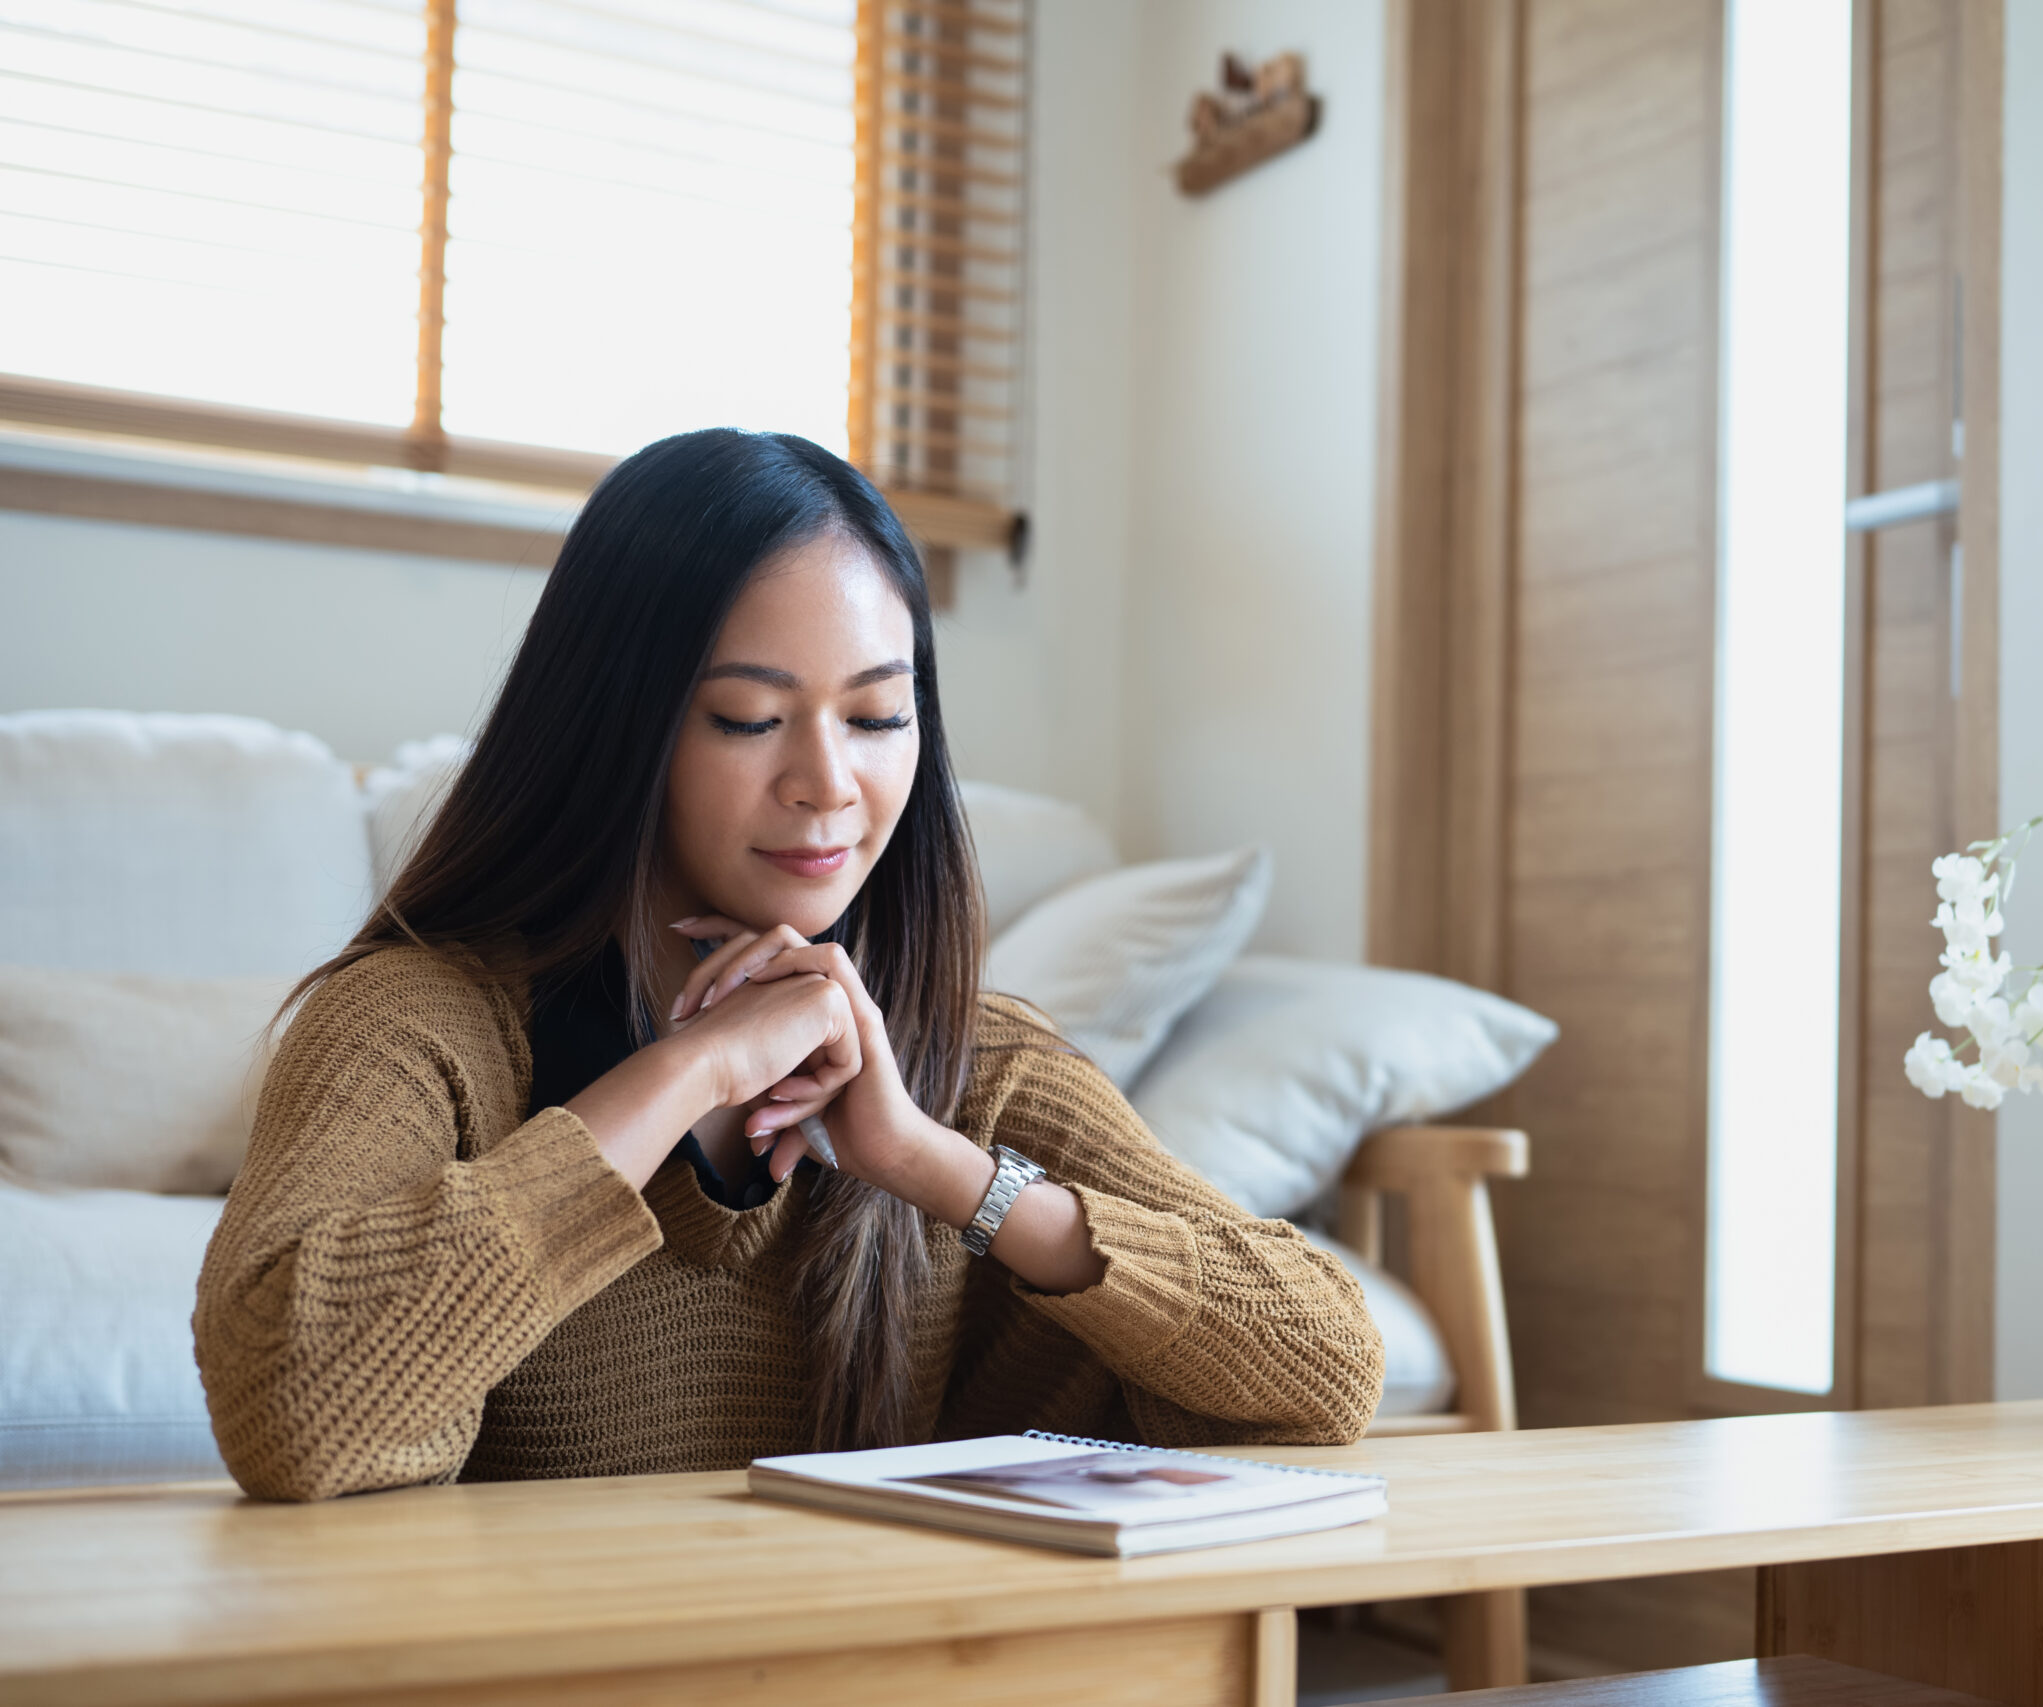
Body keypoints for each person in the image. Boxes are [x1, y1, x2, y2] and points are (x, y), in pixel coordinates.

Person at [194, 430, 1383, 1501]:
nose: (828, 783)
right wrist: (685, 1076)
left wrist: (933, 1165)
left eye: (876, 717)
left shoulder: (965, 1059)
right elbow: (297, 1412)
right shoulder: (418, 1025)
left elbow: (1327, 1368)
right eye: (749, 719)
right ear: (617, 729)